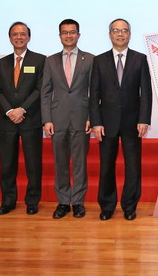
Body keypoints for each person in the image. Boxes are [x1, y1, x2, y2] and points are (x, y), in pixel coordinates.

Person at [89, 19, 152, 221]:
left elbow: (146, 93)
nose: (120, 34)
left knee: (133, 166)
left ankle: (129, 205)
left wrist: (144, 119)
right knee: (106, 166)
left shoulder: (139, 59)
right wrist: (96, 122)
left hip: (133, 122)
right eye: (116, 31)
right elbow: (94, 94)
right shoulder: (99, 61)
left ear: (129, 34)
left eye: (124, 31)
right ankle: (107, 206)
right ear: (109, 35)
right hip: (106, 123)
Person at [42, 19, 94, 219]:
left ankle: (78, 202)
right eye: (65, 32)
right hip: (58, 117)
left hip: (82, 117)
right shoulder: (51, 60)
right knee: (61, 162)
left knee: (80, 162)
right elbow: (46, 92)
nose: (69, 35)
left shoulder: (89, 59)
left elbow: (93, 91)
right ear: (60, 36)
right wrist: (47, 119)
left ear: (78, 35)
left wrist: (91, 116)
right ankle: (63, 201)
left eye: (72, 32)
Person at [0, 22, 45, 215]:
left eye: (23, 34)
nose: (19, 37)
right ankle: (8, 201)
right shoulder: (1, 63)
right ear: (10, 37)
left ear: (29, 37)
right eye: (15, 34)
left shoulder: (40, 61)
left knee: (33, 164)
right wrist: (9, 111)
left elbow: (40, 89)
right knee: (7, 164)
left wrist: (22, 109)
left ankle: (32, 201)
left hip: (30, 119)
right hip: (7, 121)